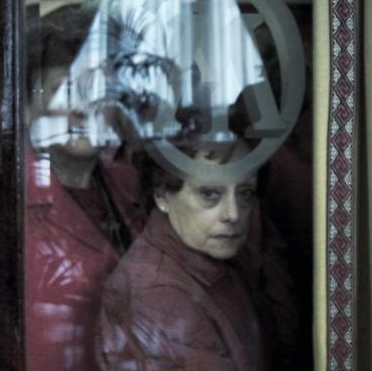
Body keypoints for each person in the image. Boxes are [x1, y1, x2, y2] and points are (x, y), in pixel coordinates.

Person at [95, 143, 297, 370]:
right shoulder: (158, 292)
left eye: (245, 193)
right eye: (209, 194)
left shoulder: (230, 259)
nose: (233, 213)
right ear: (162, 195)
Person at [25, 4, 149, 371]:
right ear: (29, 105)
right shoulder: (4, 200)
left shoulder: (135, 187)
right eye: (64, 89)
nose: (83, 108)